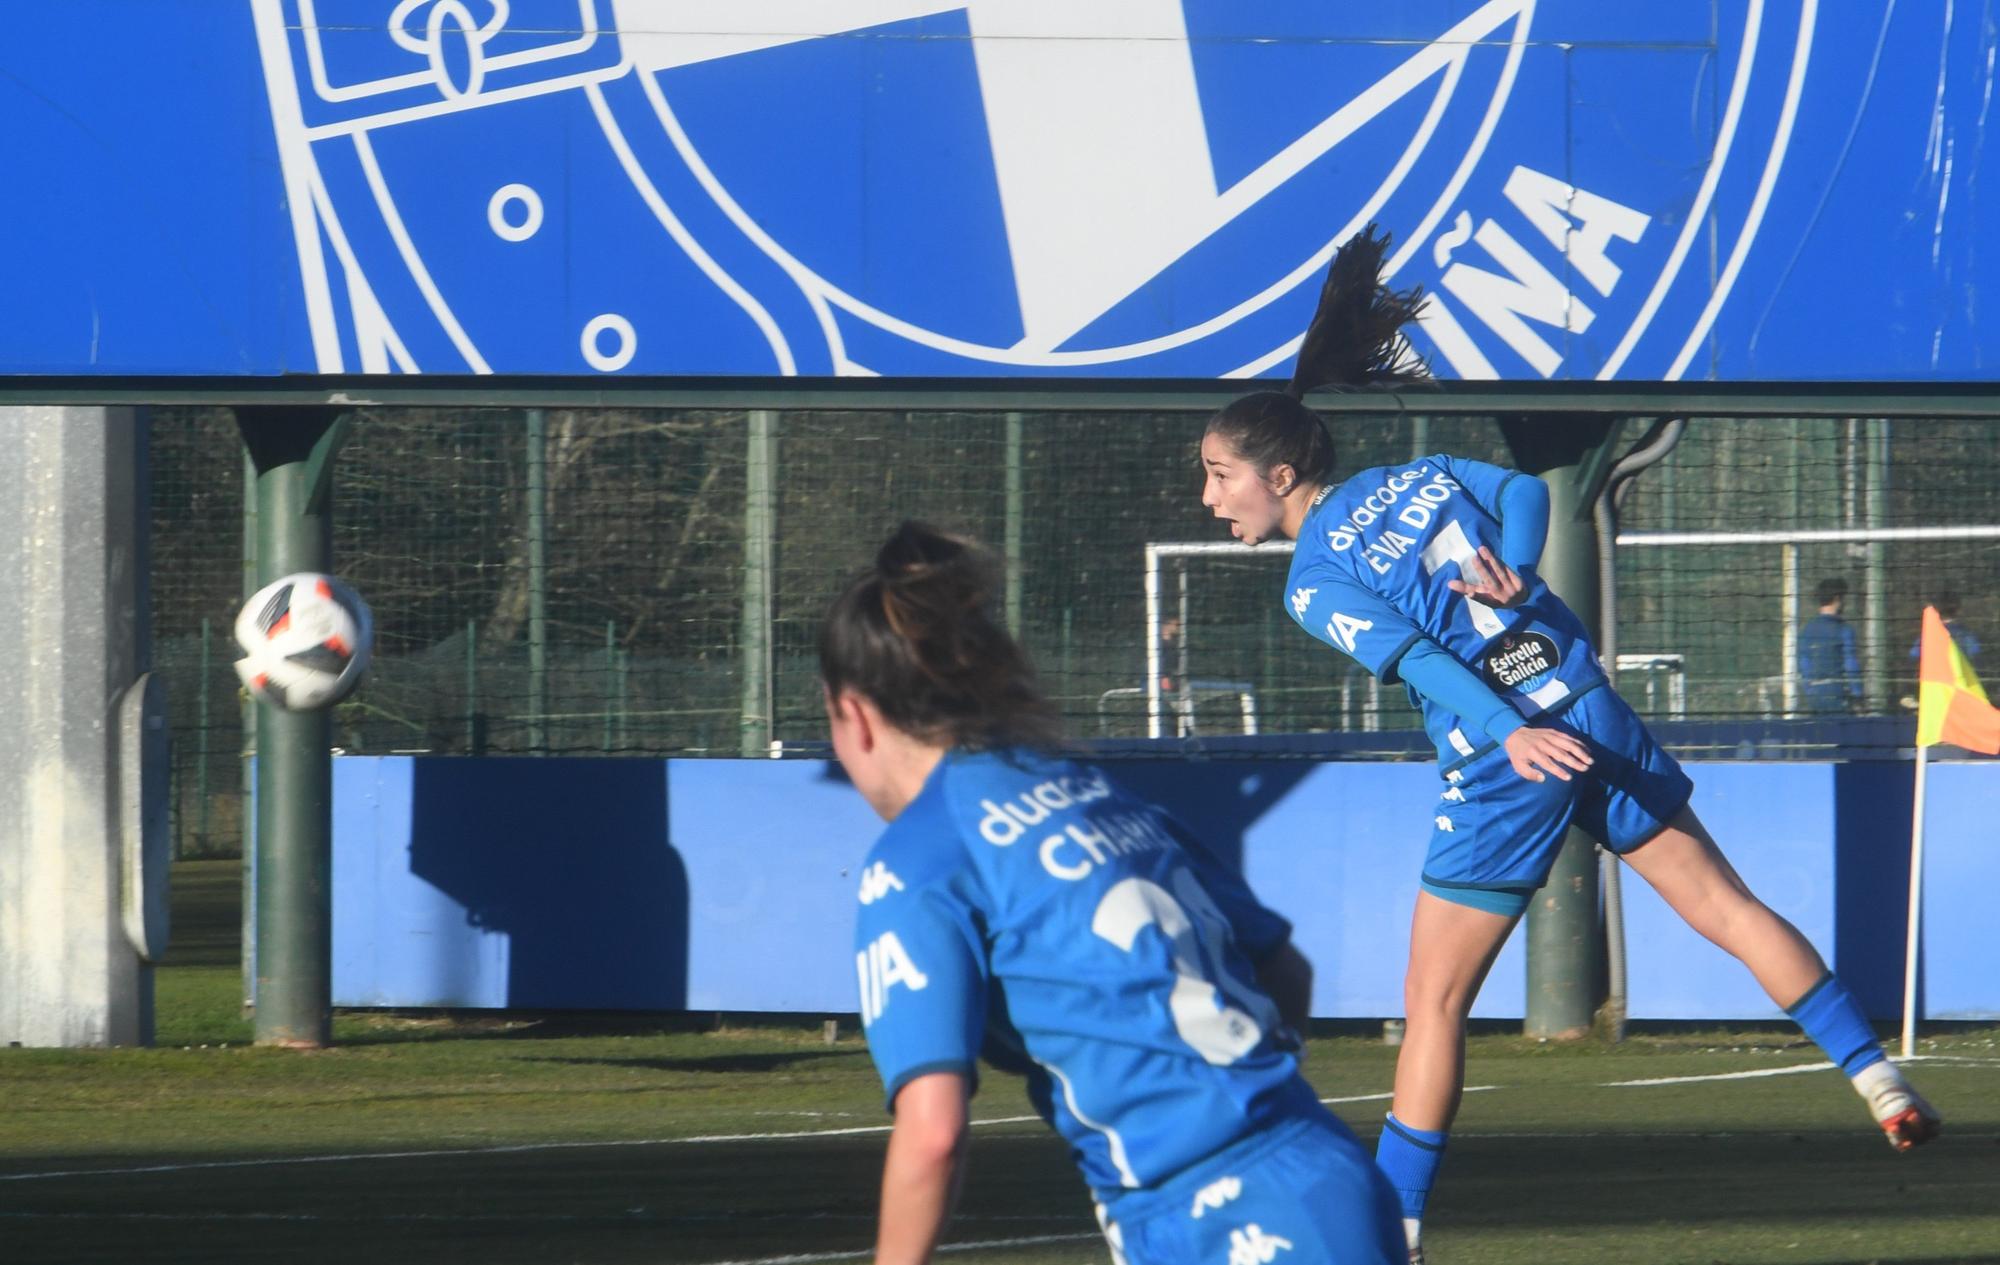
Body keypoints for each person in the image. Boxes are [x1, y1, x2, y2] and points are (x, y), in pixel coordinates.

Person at [1196, 227, 1941, 1264]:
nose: (1208, 495)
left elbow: (1420, 659)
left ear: (1279, 473)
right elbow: (1526, 493)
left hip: (1510, 753)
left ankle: (1393, 1235)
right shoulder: (1419, 481)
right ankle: (1878, 1078)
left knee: (1433, 1001)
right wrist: (1509, 567)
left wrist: (1507, 732)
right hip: (1585, 704)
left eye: (1217, 473)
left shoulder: (1311, 576)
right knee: (1723, 905)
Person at [824, 521, 1406, 1265]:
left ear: (856, 715)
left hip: (1220, 1215)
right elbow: (1284, 969)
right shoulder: (1097, 791)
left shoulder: (915, 861)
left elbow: (933, 1131)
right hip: (1319, 1165)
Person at [1798, 578, 1861, 713]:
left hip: (1815, 697)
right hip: (1838, 694)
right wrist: (1857, 694)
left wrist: (1810, 691)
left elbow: (1804, 665)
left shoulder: (1807, 630)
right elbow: (1850, 664)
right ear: (1837, 599)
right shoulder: (1843, 630)